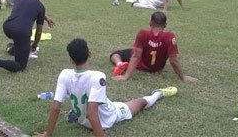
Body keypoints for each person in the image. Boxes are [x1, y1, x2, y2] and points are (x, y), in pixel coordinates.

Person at [35, 38, 178, 137]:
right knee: (139, 103)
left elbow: (55, 107)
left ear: (71, 59)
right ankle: (159, 93)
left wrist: (48, 134)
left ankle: (76, 111)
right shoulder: (98, 76)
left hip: (82, 120)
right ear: (90, 54)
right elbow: (92, 112)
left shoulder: (64, 74)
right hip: (105, 118)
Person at [0, 0, 55, 75]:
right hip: (22, 32)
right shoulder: (40, 6)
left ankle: (15, 48)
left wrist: (45, 17)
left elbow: (28, 5)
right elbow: (39, 31)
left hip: (7, 27)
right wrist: (34, 45)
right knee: (20, 65)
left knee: (21, 42)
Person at [110, 12, 198, 83]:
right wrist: (183, 76)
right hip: (157, 67)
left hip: (142, 64)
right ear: (165, 25)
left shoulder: (142, 33)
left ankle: (120, 64)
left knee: (116, 54)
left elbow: (136, 56)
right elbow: (173, 60)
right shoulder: (170, 36)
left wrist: (126, 76)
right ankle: (122, 64)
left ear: (150, 23)